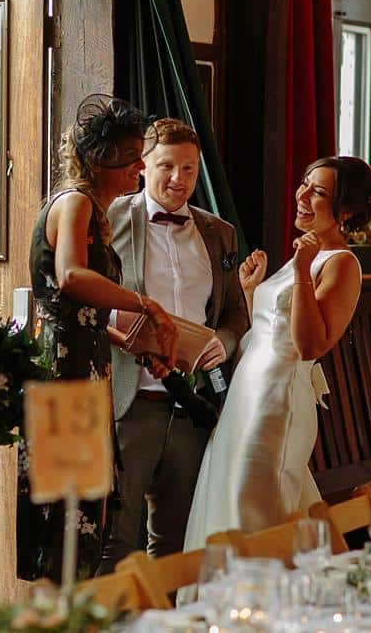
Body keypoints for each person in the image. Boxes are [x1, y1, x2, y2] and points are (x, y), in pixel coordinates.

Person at [16, 95, 179, 583]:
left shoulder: (94, 209)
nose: (137, 168)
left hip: (84, 369)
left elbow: (76, 312)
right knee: (70, 518)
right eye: (129, 158)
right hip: (62, 378)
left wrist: (130, 343)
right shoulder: (75, 202)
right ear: (94, 161)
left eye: (137, 157)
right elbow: (69, 277)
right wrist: (146, 305)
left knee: (87, 512)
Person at [184, 156, 371, 546]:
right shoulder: (305, 253)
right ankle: (222, 602)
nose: (303, 195)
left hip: (278, 402)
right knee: (226, 494)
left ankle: (263, 595)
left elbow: (308, 346)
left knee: (256, 503)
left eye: (319, 192)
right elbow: (275, 331)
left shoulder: (341, 264)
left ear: (345, 211)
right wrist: (252, 291)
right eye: (305, 183)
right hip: (248, 395)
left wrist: (305, 272)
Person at [99, 118, 249, 571]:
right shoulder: (110, 219)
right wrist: (125, 330)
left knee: (178, 544)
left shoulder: (218, 232)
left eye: (189, 169)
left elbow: (235, 312)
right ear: (142, 164)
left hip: (192, 407)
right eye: (167, 166)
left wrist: (223, 342)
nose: (178, 179)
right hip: (130, 401)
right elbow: (86, 297)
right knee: (116, 543)